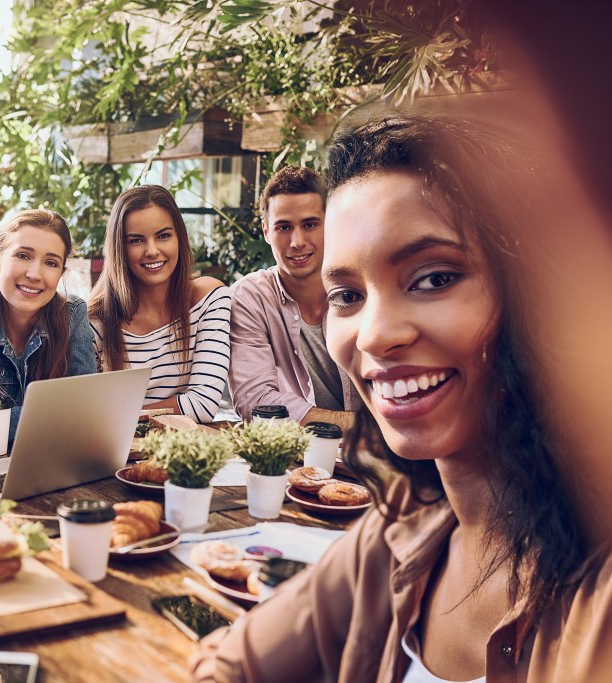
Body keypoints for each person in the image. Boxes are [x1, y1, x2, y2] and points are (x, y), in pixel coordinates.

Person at [191, 115, 606, 681]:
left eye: (433, 278)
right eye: (347, 294)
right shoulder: (402, 530)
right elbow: (232, 663)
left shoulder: (595, 590)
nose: (374, 334)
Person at [0, 209, 97, 446]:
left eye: (51, 263)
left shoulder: (72, 314)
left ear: (61, 273)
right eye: (23, 255)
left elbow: (87, 409)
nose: (35, 274)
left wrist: (75, 417)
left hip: (57, 462)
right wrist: (65, 417)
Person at [89, 185, 231, 423]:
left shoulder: (209, 299)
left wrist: (124, 415)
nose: (152, 251)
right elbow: (89, 416)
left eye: (163, 236)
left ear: (179, 238)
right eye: (136, 240)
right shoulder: (95, 321)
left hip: (186, 452)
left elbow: (202, 405)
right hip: (118, 455)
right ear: (119, 249)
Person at [228, 166, 357, 427]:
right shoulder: (250, 298)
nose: (297, 241)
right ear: (266, 232)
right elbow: (255, 400)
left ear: (330, 224)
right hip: (295, 454)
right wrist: (357, 426)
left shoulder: (362, 288)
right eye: (284, 227)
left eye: (310, 224)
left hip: (381, 456)